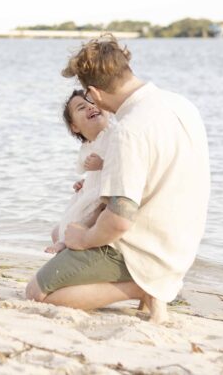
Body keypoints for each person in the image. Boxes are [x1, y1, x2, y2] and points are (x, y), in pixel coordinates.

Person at [25, 35, 210, 324]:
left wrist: (83, 238)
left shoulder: (128, 131)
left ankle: (143, 286)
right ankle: (151, 282)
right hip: (181, 245)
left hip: (143, 251)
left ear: (94, 93)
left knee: (38, 293)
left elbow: (120, 220)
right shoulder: (182, 104)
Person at [46, 91, 108, 254]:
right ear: (74, 126)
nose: (90, 107)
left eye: (93, 103)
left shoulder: (114, 135)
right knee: (57, 230)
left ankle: (66, 243)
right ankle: (63, 243)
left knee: (93, 212)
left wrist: (103, 164)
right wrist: (85, 182)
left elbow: (125, 165)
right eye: (82, 107)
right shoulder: (87, 146)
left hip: (106, 193)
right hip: (91, 190)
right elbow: (93, 174)